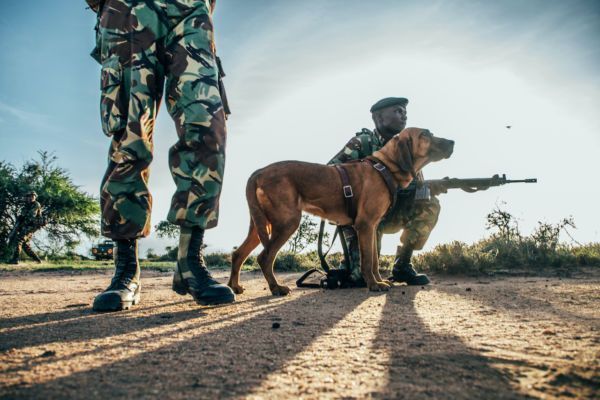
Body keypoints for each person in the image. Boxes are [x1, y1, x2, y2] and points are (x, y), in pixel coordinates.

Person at [88, 0, 235, 311]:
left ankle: (189, 261)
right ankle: (126, 269)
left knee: (207, 127)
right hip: (128, 8)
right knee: (129, 133)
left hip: (189, 9)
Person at [328, 97, 442, 286]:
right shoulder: (362, 143)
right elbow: (330, 175)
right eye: (397, 111)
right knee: (357, 278)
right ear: (379, 118)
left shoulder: (409, 147)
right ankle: (349, 265)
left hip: (393, 212)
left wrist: (427, 188)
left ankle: (402, 266)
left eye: (404, 111)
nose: (403, 114)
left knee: (429, 204)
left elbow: (417, 185)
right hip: (362, 217)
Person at [8, 191, 44, 264]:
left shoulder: (36, 204)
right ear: (26, 198)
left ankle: (15, 259)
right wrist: (19, 223)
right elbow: (22, 217)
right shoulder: (26, 207)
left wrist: (21, 224)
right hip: (26, 225)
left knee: (19, 240)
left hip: (32, 225)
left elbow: (31, 216)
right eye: (29, 196)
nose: (31, 198)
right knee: (25, 245)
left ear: (35, 197)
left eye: (32, 196)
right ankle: (37, 260)